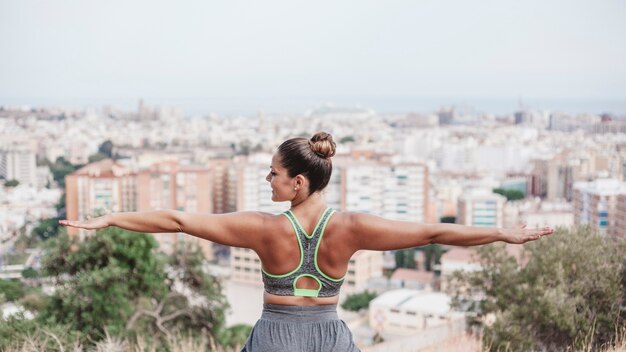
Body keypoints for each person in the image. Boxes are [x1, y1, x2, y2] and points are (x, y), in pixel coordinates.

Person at [59, 131, 554, 352]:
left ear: (298, 182)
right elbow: (433, 231)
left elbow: (177, 220)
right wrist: (502, 232)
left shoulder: (263, 227)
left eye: (273, 173)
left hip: (275, 337)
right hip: (328, 338)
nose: (266, 180)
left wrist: (111, 219)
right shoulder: (351, 226)